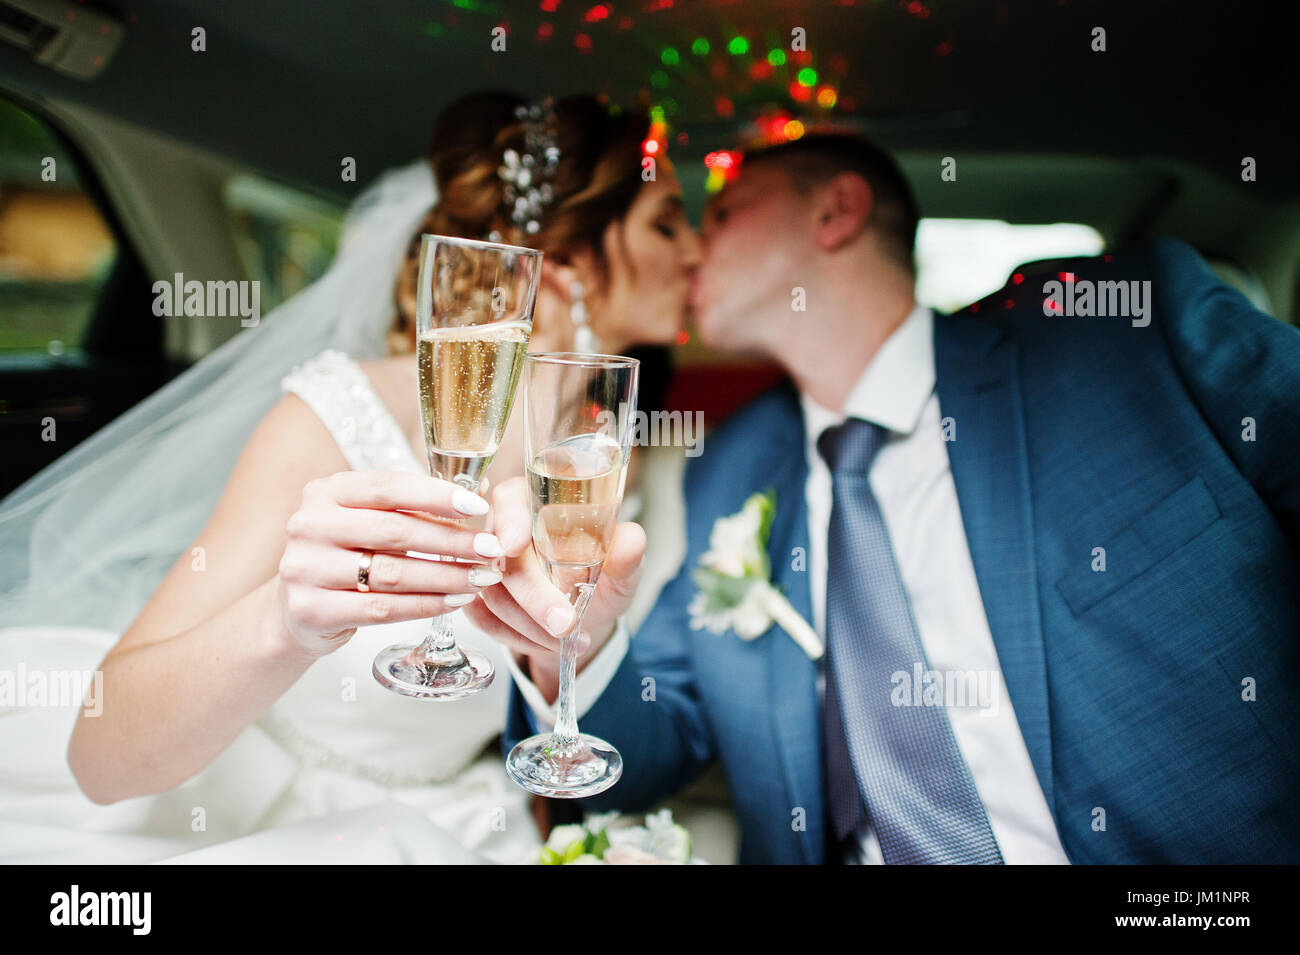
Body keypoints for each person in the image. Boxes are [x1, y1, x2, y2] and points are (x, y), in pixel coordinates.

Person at [471, 131, 1300, 864]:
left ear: (835, 212)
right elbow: (645, 751)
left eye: (721, 214)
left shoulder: (1121, 337)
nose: (691, 250)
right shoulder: (730, 470)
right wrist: (569, 638)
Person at [0, 92, 699, 864]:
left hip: (446, 819)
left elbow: (633, 735)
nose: (696, 250)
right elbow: (99, 756)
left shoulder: (621, 469)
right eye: (668, 221)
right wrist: (282, 623)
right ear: (564, 264)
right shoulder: (338, 413)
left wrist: (568, 644)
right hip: (243, 813)